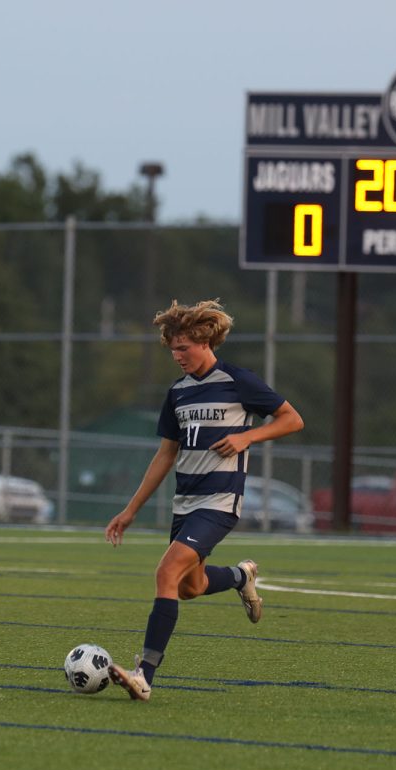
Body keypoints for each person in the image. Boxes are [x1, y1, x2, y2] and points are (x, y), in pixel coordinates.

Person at [104, 298, 304, 701]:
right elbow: (165, 454)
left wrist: (248, 436)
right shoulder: (178, 393)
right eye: (173, 349)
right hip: (185, 504)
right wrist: (130, 510)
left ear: (205, 341)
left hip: (219, 502)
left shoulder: (237, 381)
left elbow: (292, 419)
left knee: (165, 574)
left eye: (184, 348)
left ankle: (145, 675)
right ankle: (240, 576)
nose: (177, 356)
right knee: (188, 588)